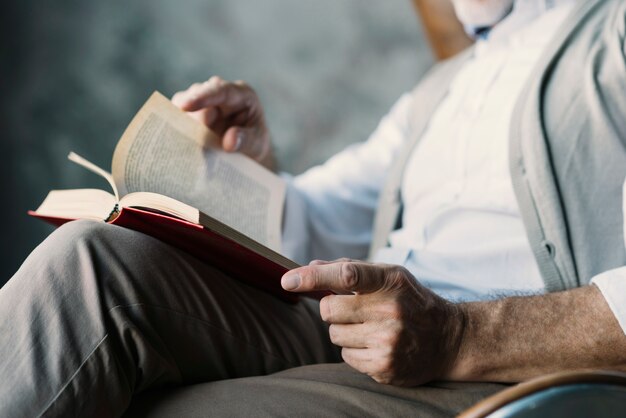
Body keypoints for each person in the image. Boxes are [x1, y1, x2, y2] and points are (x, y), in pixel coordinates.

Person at [2, 0, 626, 416]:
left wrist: (457, 335)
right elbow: (321, 222)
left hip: (502, 370)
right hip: (357, 336)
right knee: (89, 262)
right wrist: (248, 171)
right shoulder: (440, 90)